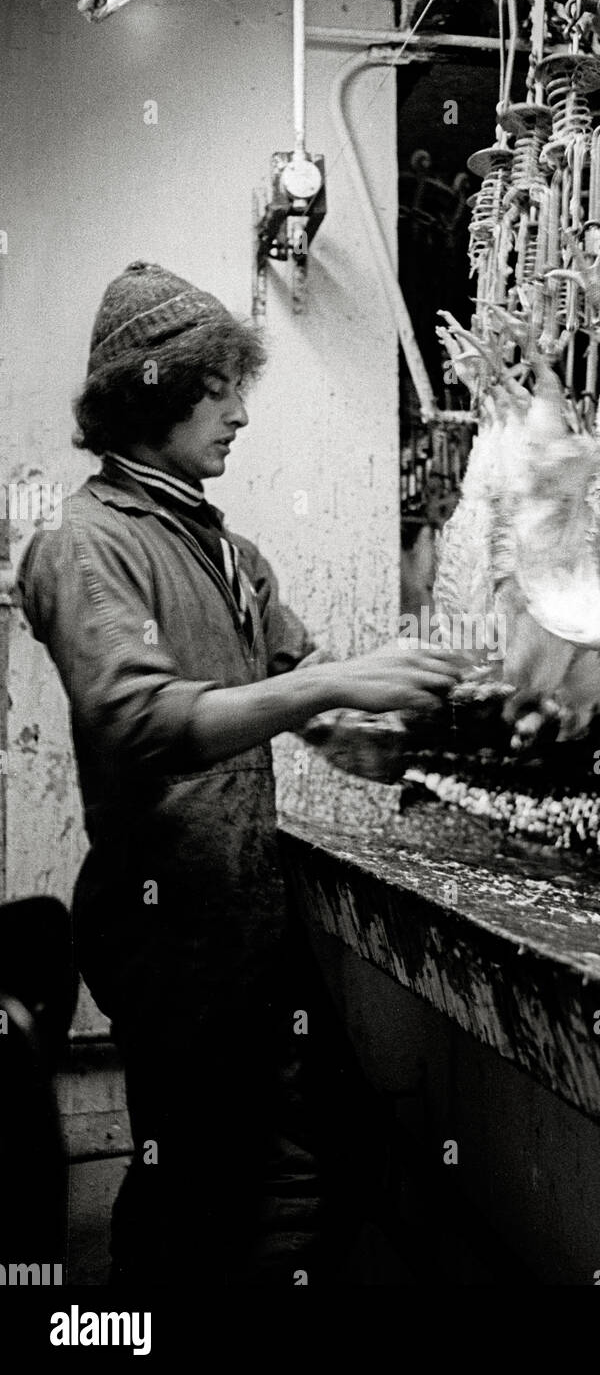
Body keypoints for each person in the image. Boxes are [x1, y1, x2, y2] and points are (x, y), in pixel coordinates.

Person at [17, 260, 467, 1285]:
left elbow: (315, 707)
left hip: (250, 918)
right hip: (168, 929)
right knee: (192, 1188)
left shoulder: (232, 554)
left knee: (326, 1152)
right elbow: (146, 722)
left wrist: (443, 740)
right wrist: (333, 686)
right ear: (156, 389)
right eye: (221, 389)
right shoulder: (82, 548)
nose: (240, 416)